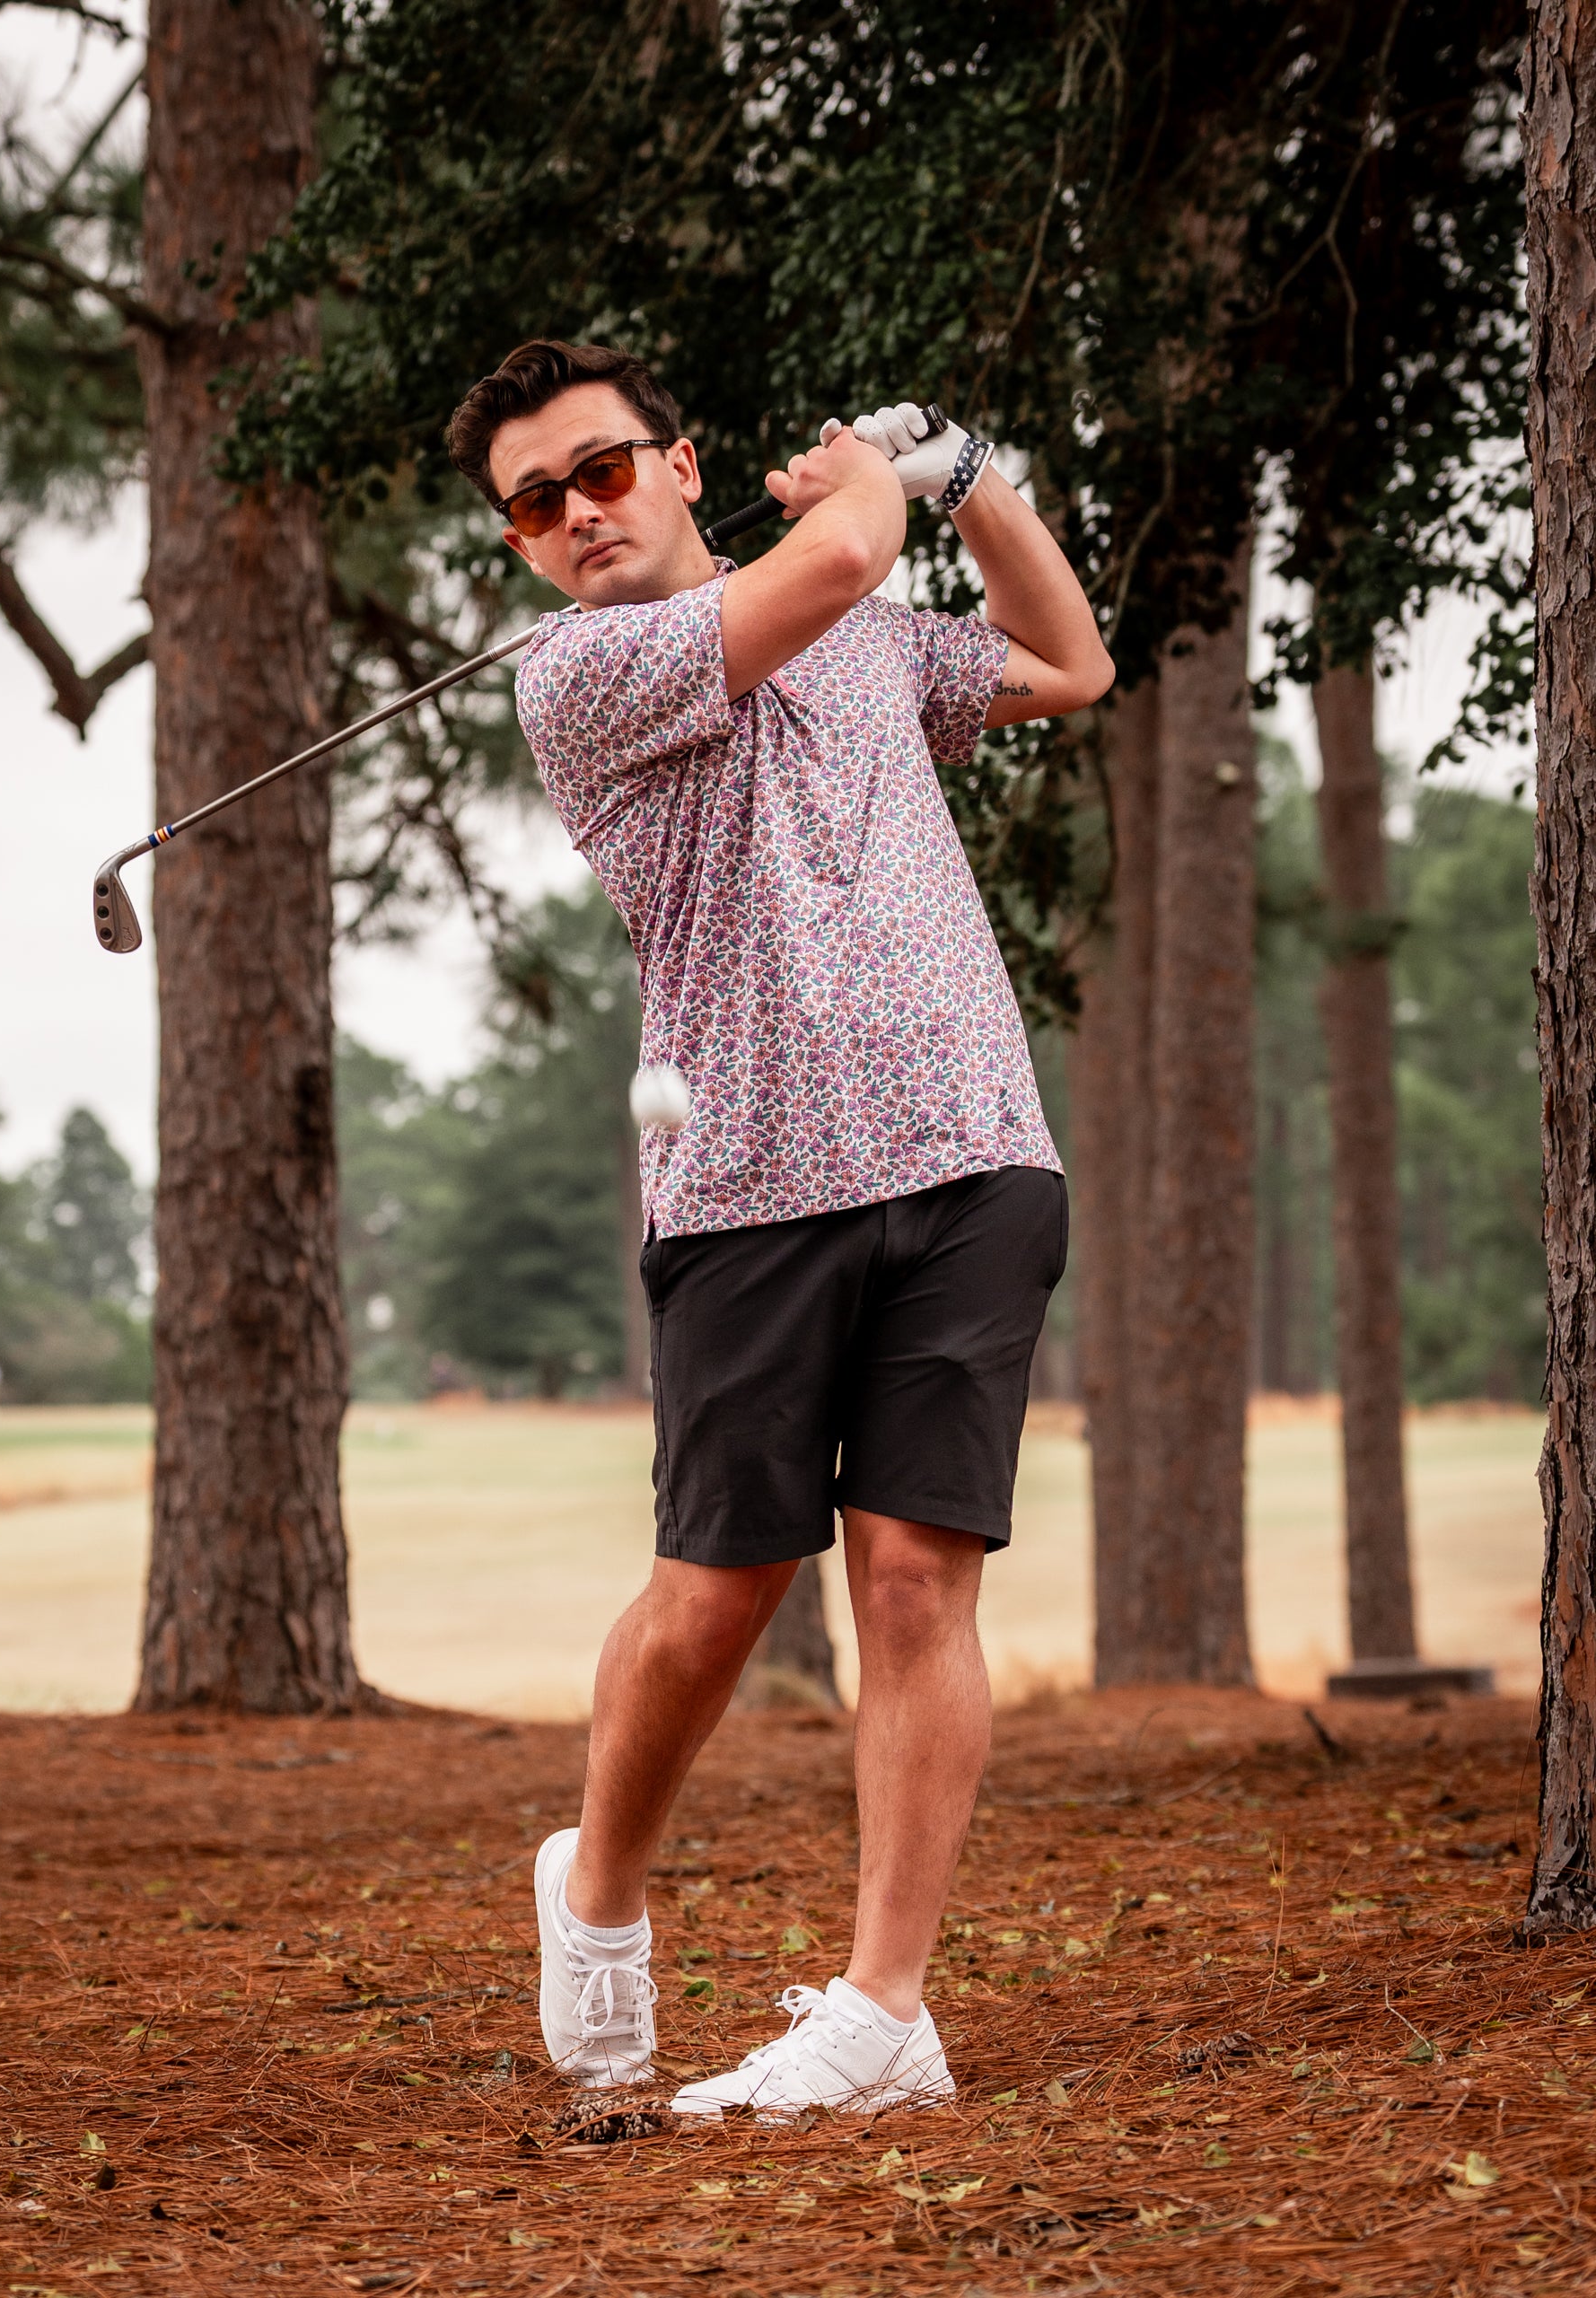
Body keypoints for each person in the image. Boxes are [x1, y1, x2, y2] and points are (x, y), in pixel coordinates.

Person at [445, 340, 1112, 2122]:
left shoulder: (878, 640)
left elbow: (1069, 658)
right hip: (745, 1184)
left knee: (912, 1574)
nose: (576, 514)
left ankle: (886, 2008)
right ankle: (596, 1887)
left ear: (678, 461)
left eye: (599, 471)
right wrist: (871, 488)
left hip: (971, 1151)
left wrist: (969, 475)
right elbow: (830, 564)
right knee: (719, 1591)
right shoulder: (585, 674)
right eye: (534, 502)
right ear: (519, 546)